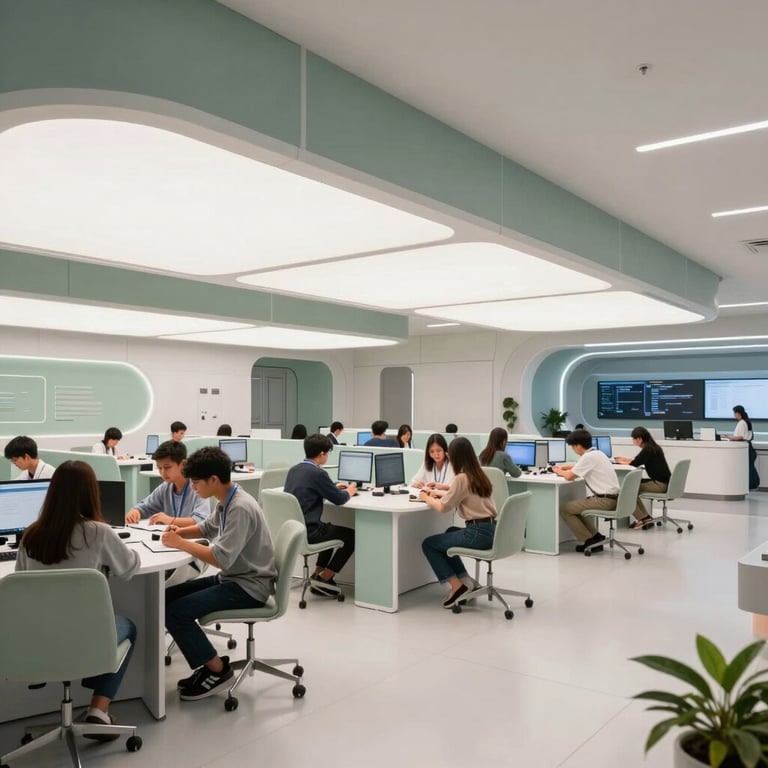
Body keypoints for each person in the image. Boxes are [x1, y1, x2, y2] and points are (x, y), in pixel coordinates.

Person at [16, 461, 139, 736]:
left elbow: (20, 581)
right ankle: (99, 708)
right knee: (127, 626)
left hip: (38, 638)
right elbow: (130, 568)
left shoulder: (30, 535)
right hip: (87, 639)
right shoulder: (99, 532)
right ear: (91, 493)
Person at [163, 446, 276, 701]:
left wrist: (179, 543)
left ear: (213, 480)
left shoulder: (240, 507)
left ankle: (218, 669)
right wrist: (178, 533)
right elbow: (207, 528)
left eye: (196, 483)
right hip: (235, 578)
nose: (193, 488)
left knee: (175, 611)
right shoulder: (227, 499)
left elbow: (220, 558)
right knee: (166, 597)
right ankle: (207, 664)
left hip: (248, 587)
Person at [419, 437, 497, 608]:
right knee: (450, 532)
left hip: (477, 533)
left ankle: (456, 587)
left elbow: (443, 507)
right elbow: (461, 493)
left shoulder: (462, 478)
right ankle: (466, 581)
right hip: (491, 530)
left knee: (429, 544)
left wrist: (425, 497)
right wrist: (440, 489)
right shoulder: (478, 473)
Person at [284, 433, 357, 595]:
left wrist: (332, 487)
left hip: (293, 531)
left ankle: (317, 572)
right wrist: (350, 490)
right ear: (322, 454)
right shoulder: (318, 473)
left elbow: (310, 490)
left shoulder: (294, 470)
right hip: (310, 532)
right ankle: (325, 578)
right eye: (328, 453)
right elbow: (339, 500)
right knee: (352, 536)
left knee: (328, 528)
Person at [553, 429, 619, 552]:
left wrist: (558, 471)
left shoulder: (588, 457)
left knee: (565, 509)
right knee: (575, 508)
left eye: (573, 447)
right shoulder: (598, 453)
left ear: (578, 446)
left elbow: (569, 476)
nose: (573, 450)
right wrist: (565, 467)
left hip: (604, 501)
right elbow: (579, 466)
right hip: (613, 498)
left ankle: (588, 540)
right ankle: (595, 536)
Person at [125, 441, 210, 526]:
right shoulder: (165, 487)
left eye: (167, 467)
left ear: (183, 464)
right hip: (172, 537)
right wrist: (135, 511)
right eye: (159, 468)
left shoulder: (198, 487)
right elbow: (146, 507)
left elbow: (201, 521)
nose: (163, 472)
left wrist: (170, 520)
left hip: (193, 538)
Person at [615, 426, 671, 528]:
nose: (633, 441)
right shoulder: (652, 447)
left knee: (627, 489)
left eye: (634, 439)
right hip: (664, 483)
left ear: (639, 439)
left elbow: (635, 463)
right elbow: (637, 460)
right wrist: (625, 460)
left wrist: (622, 462)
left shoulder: (647, 449)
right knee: (632, 486)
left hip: (660, 485)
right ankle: (645, 517)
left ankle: (643, 518)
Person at [723, 405, 760, 489]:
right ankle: (752, 484)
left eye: (734, 413)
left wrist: (727, 437)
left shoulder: (742, 423)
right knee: (749, 468)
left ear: (738, 413)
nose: (734, 415)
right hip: (748, 448)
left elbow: (740, 437)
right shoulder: (745, 422)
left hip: (746, 449)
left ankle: (752, 485)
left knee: (749, 469)